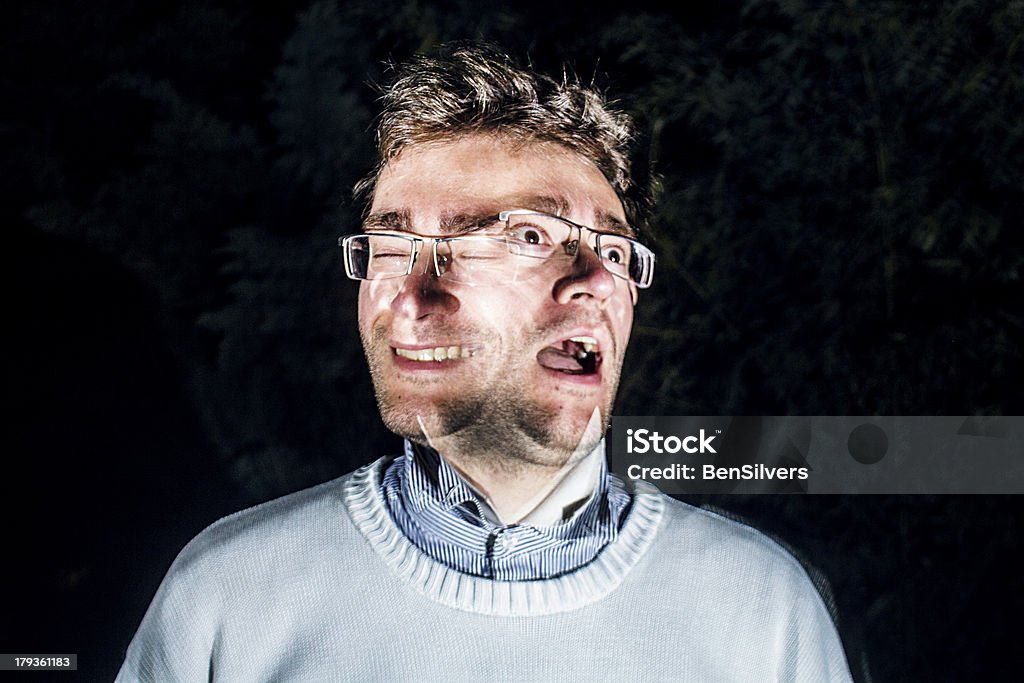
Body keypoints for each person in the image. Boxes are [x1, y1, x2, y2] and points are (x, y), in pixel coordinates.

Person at [116, 42, 852, 682]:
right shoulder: (227, 594)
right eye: (391, 246)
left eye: (613, 249)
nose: (407, 297)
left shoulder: (762, 612)